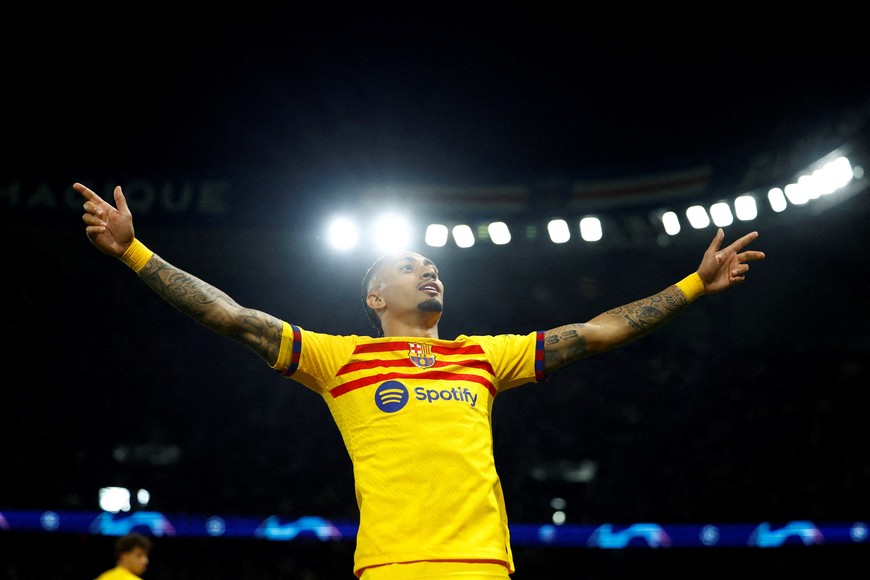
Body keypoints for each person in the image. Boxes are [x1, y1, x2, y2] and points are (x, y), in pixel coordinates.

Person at [76, 181, 765, 579]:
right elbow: (232, 317)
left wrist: (693, 286)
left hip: (483, 565)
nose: (429, 270)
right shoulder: (337, 359)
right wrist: (134, 250)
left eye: (433, 265)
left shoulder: (484, 356)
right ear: (375, 296)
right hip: (392, 566)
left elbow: (598, 331)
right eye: (408, 266)